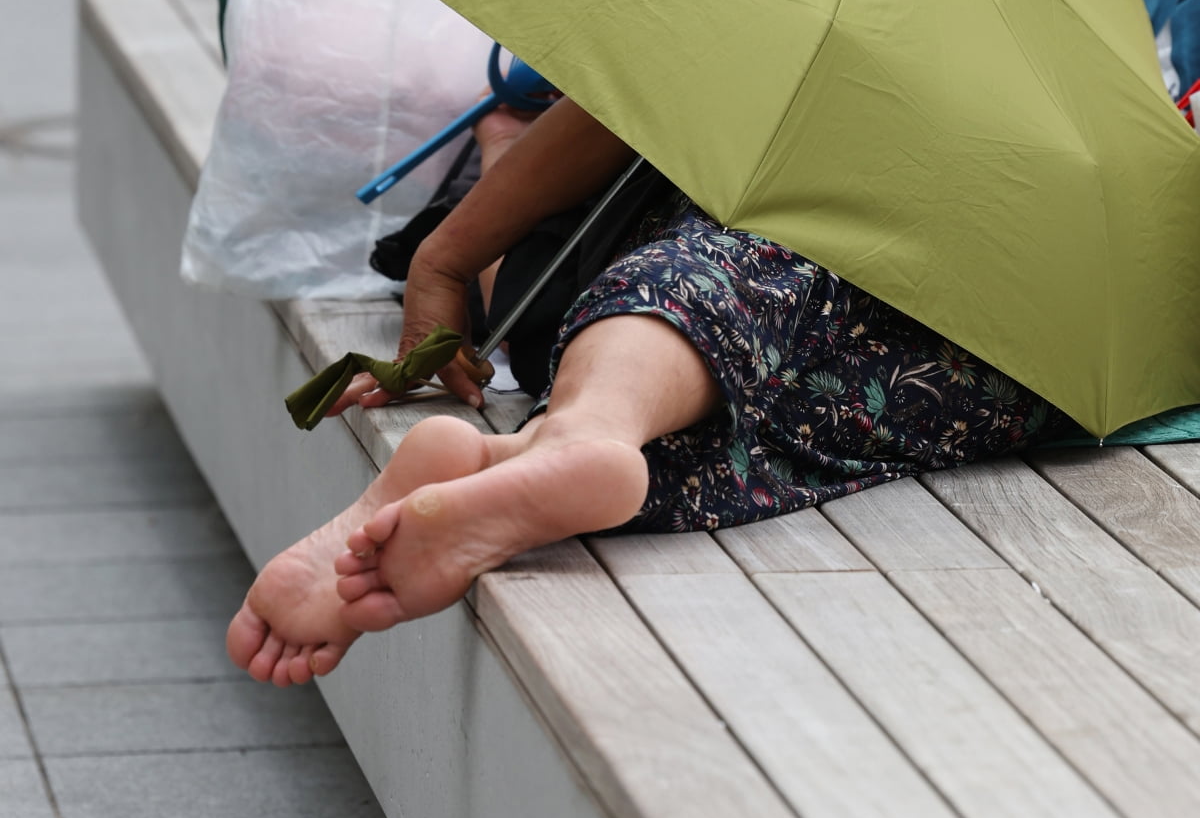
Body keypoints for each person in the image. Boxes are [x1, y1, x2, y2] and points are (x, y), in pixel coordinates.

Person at [227, 97, 1066, 687]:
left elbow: (616, 105)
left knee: (743, 269)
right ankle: (554, 446)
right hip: (989, 339)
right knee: (815, 385)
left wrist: (450, 248)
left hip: (680, 255)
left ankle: (548, 441)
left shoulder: (810, 8)